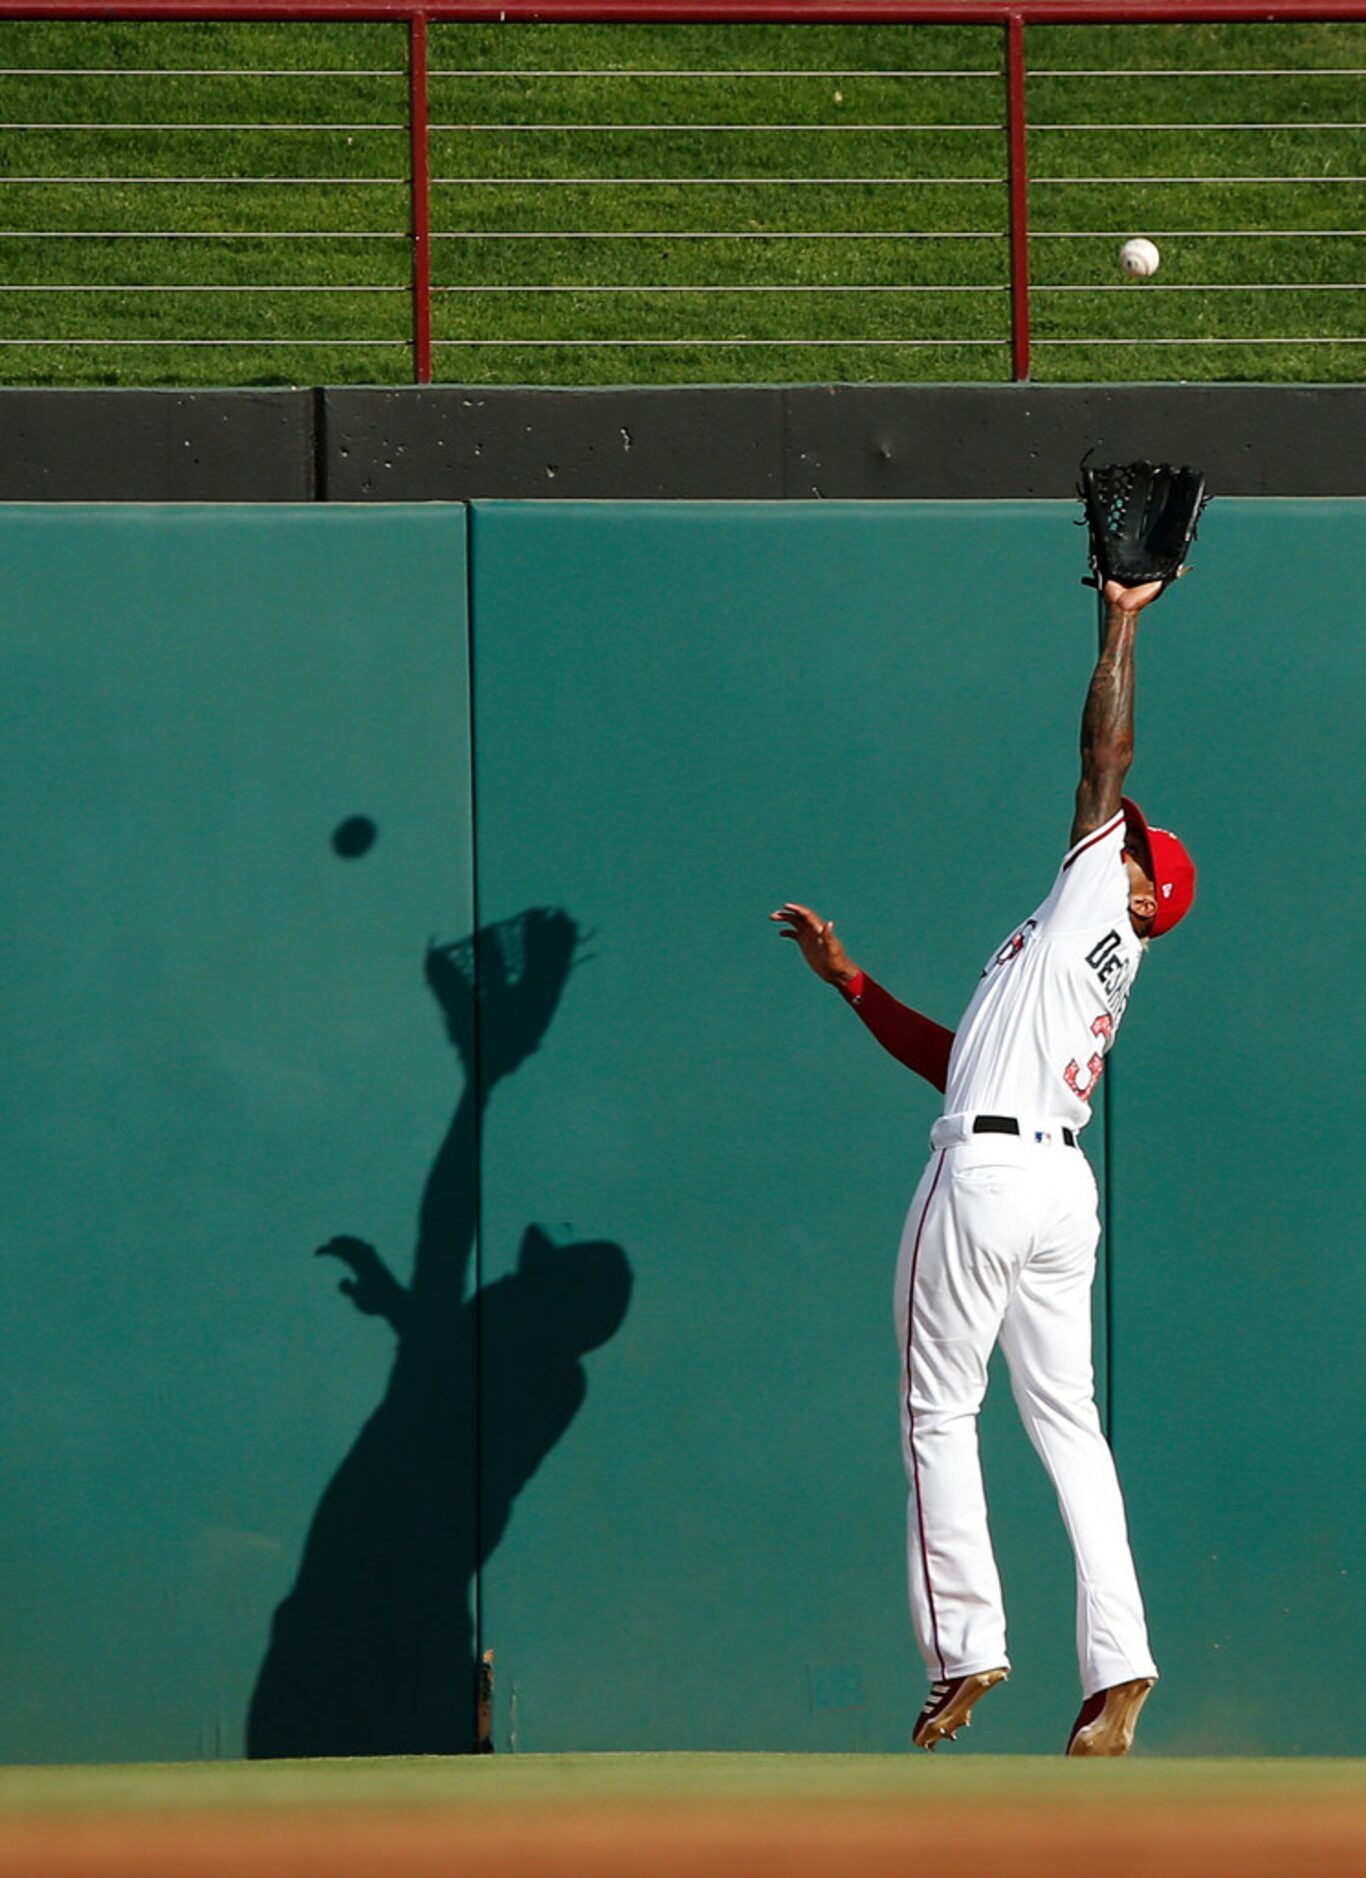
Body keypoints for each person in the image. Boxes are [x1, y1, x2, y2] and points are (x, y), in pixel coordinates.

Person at [771, 577, 1195, 1757]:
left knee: (934, 1408)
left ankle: (965, 1645)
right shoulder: (1078, 959)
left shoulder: (1088, 909)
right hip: (1054, 1182)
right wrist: (853, 983)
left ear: (1146, 892)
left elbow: (1098, 751)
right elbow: (958, 1060)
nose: (1110, 834)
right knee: (1070, 1425)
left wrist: (1120, 616)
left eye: (1128, 844)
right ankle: (1121, 1668)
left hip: (989, 1178)